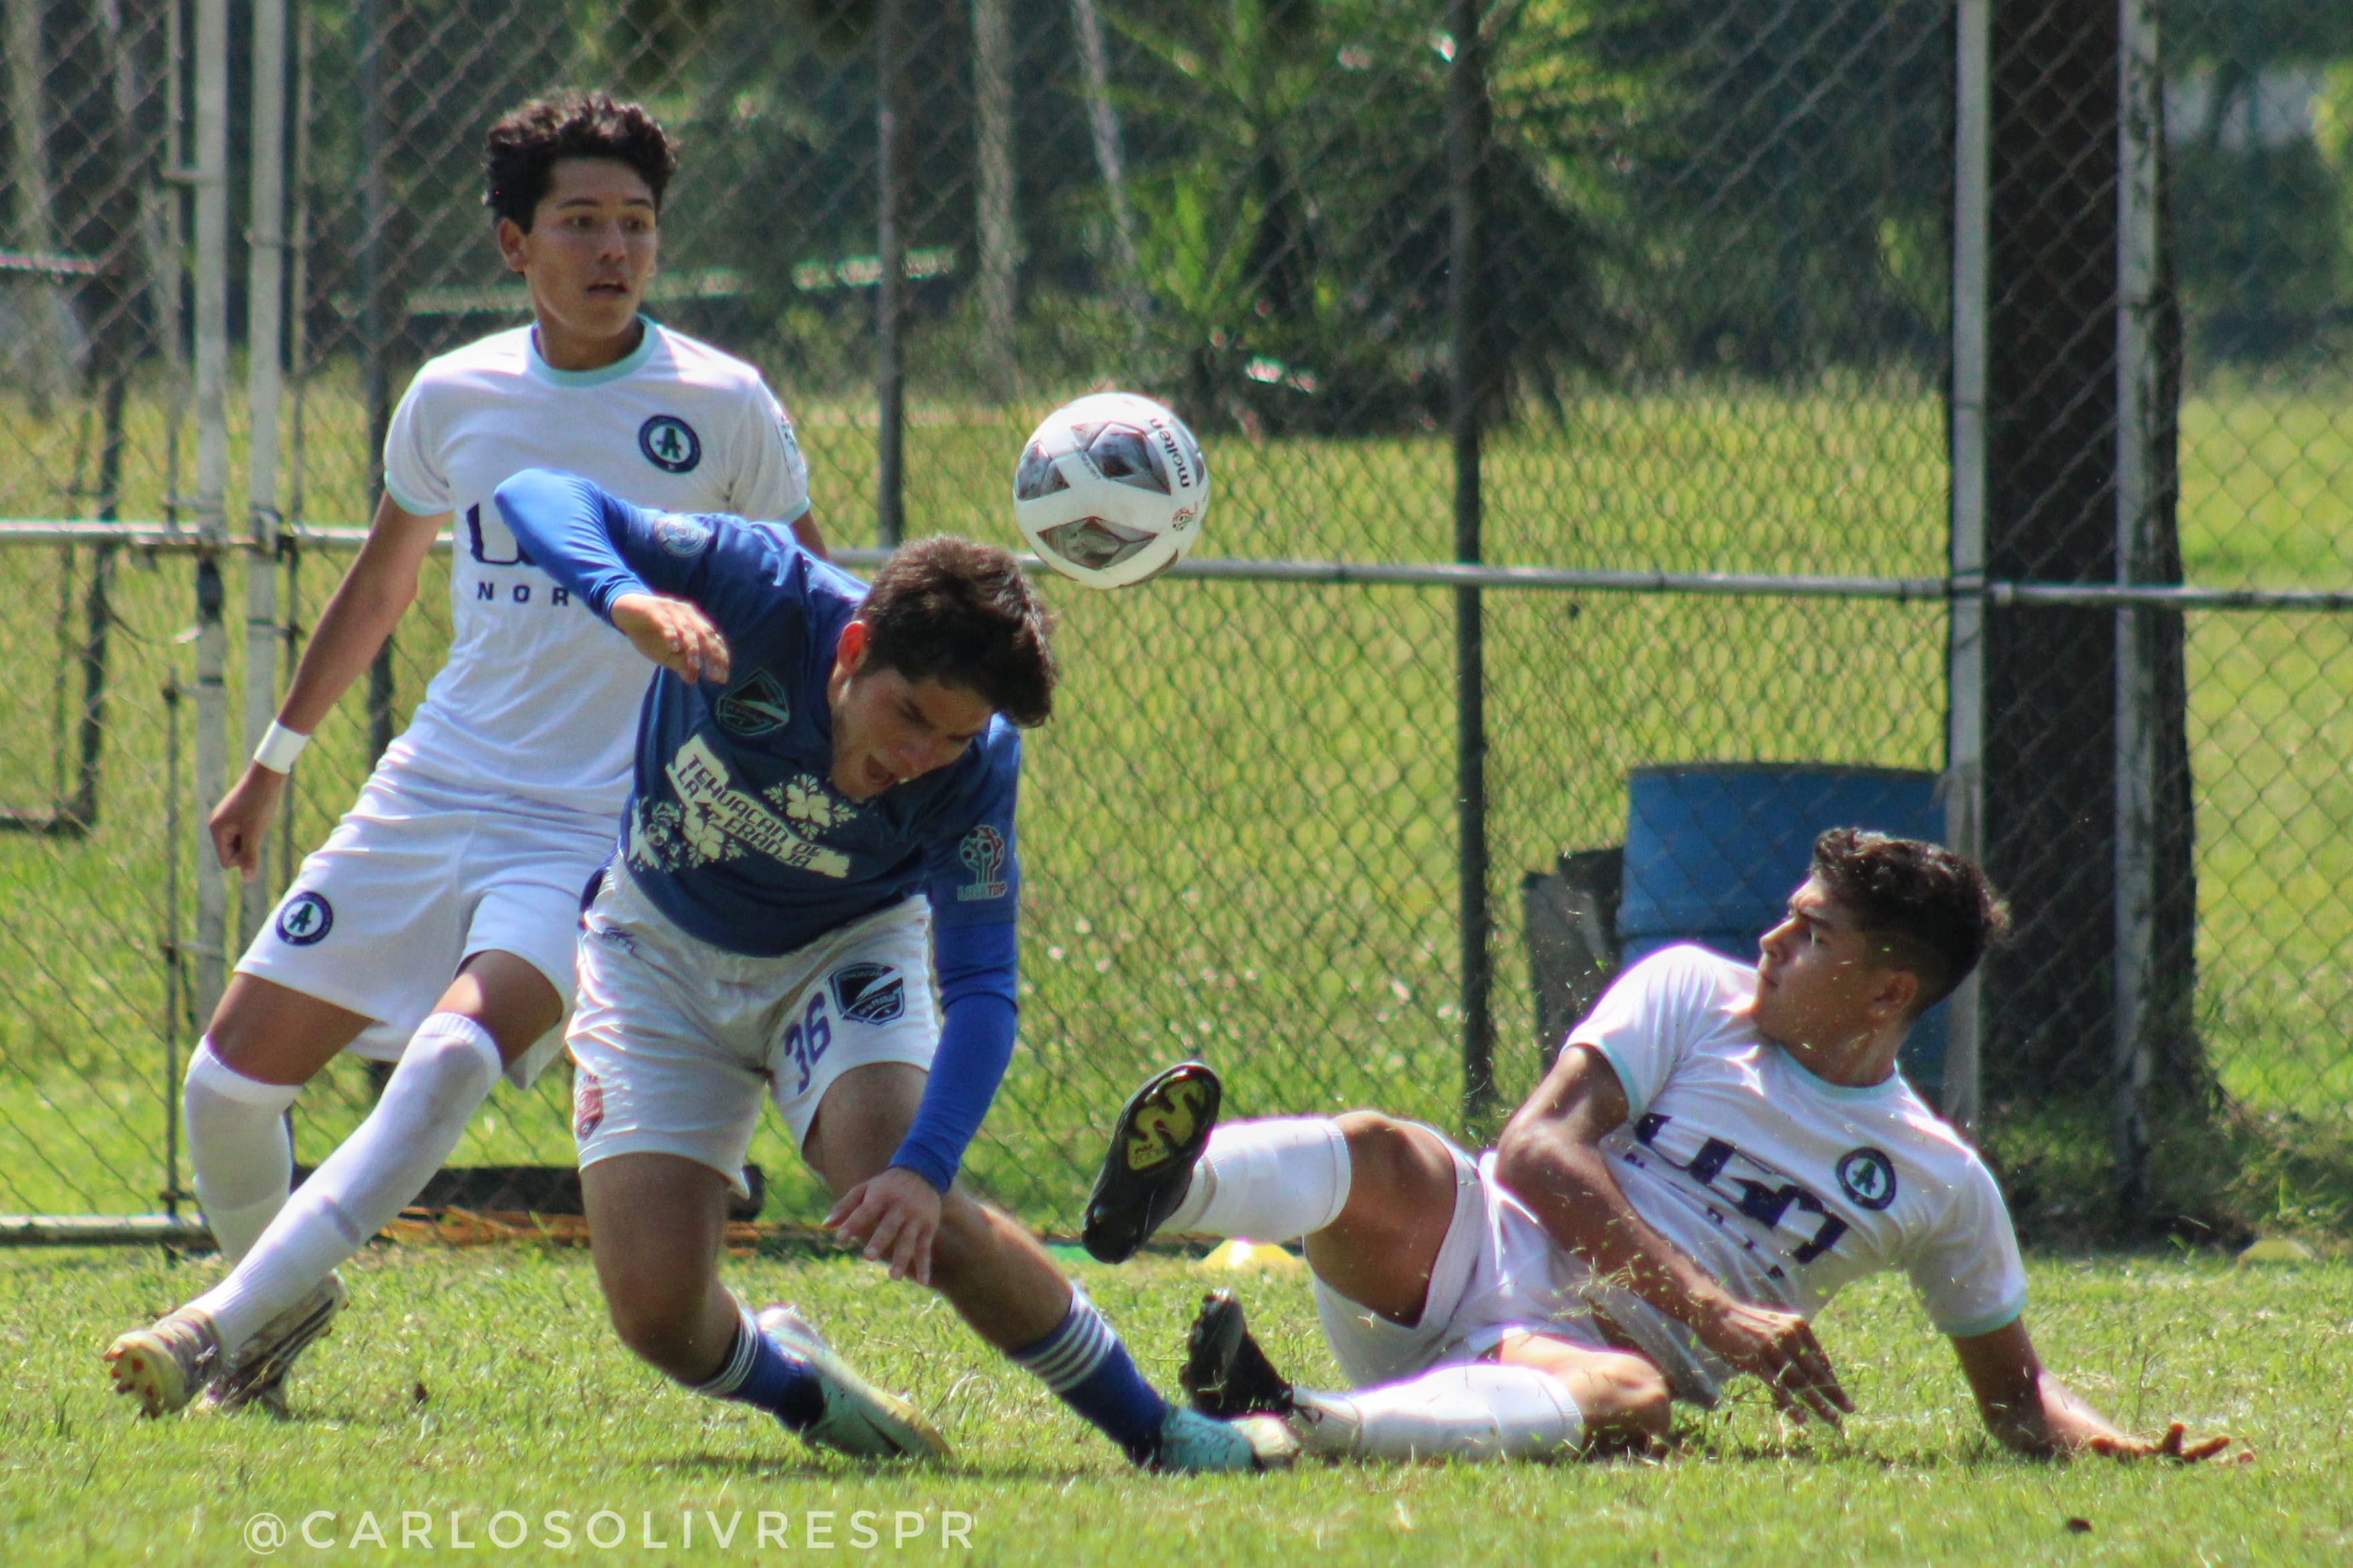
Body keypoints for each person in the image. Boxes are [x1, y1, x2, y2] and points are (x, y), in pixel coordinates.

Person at [105, 91, 825, 1418]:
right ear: (515, 244)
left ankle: (219, 1326)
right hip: (436, 785)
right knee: (224, 1088)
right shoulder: (455, 395)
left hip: (603, 827)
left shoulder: (723, 404)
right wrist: (272, 760)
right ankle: (282, 1315)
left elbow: (807, 593)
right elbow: (380, 590)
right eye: (581, 223)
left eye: (638, 225)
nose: (615, 250)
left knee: (447, 1059)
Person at [483, 466, 1277, 1469]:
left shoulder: (974, 765)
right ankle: (805, 1391)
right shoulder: (759, 590)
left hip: (840, 952)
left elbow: (984, 990)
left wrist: (923, 1170)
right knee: (658, 1321)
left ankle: (1161, 1433)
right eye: (909, 717)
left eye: (953, 736)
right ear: (852, 649)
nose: (922, 756)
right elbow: (538, 493)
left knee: (900, 1192)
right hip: (655, 956)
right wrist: (626, 596)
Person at [1082, 830, 2240, 1466]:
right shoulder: (1688, 991)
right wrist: (1719, 1314)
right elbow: (1534, 1153)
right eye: (1787, 913)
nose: (1770, 938)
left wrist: (2124, 1448)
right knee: (1382, 1149)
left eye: (1809, 931)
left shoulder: (1940, 1181)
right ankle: (1159, 1200)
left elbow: (2017, 1394)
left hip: (1554, 1359)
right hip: (1462, 1248)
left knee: (1633, 1399)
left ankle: (1284, 1429)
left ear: (1886, 989)